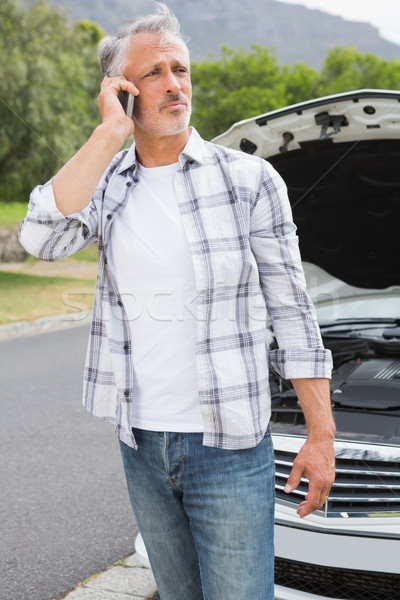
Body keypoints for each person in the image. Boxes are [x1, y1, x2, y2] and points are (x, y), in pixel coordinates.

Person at [19, 3, 335, 599]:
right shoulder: (106, 182)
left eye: (180, 69)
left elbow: (294, 312)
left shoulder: (249, 180)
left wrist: (321, 436)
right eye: (155, 73)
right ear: (121, 92)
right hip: (141, 443)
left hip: (231, 449)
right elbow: (40, 237)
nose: (174, 84)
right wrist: (108, 135)